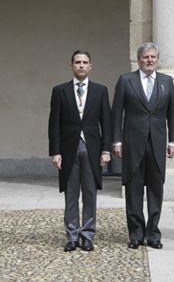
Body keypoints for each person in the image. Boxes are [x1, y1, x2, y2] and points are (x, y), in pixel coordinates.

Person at [112, 42, 174, 249]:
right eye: (145, 57)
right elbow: (116, 113)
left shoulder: (166, 81)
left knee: (156, 190)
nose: (149, 60)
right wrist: (116, 141)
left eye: (153, 57)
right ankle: (136, 234)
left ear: (157, 60)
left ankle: (154, 234)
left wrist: (173, 141)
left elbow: (172, 114)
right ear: (139, 59)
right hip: (132, 143)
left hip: (157, 143)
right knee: (134, 190)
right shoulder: (126, 80)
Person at [48, 50, 112, 252]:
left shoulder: (100, 91)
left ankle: (87, 235)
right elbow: (54, 124)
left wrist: (106, 150)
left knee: (90, 193)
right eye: (77, 62)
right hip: (68, 149)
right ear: (71, 66)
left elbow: (107, 123)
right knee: (71, 194)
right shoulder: (60, 91)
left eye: (85, 62)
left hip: (92, 149)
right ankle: (72, 235)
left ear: (91, 66)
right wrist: (55, 151)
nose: (81, 65)